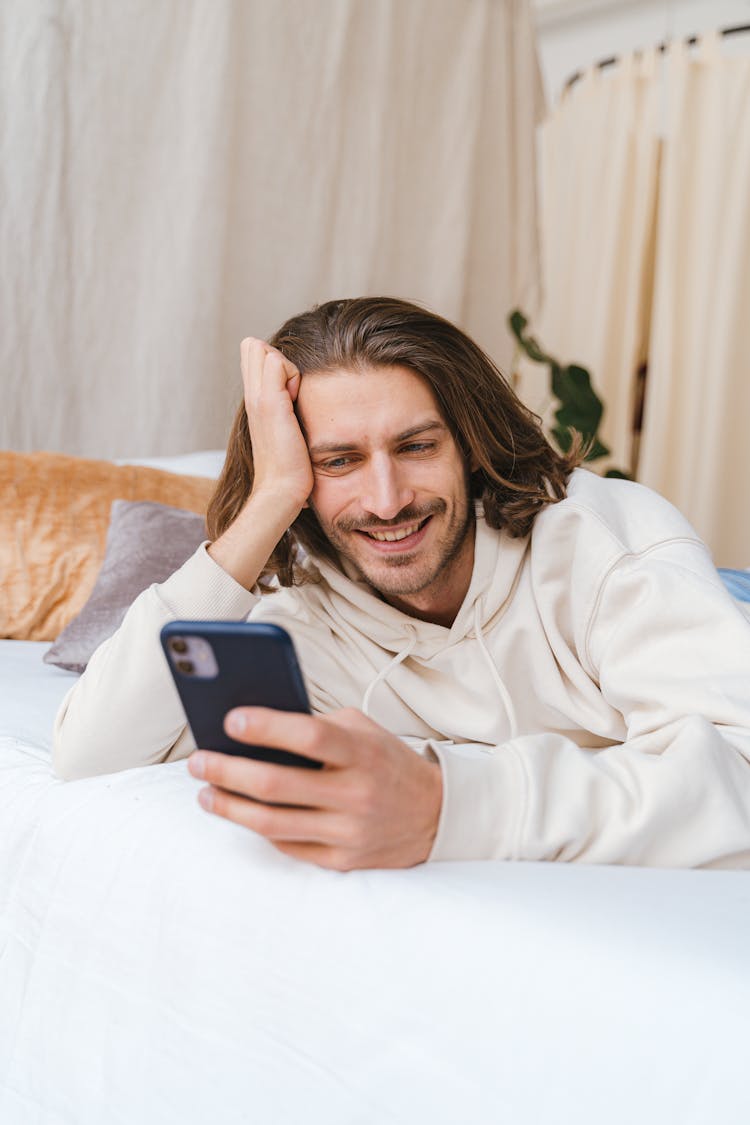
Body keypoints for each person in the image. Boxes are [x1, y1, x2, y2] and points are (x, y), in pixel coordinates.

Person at [53, 297, 750, 870]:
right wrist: (268, 501)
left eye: (416, 446)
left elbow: (739, 773)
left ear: (470, 443)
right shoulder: (301, 619)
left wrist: (449, 805)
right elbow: (91, 753)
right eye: (339, 460)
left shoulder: (606, 550)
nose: (386, 500)